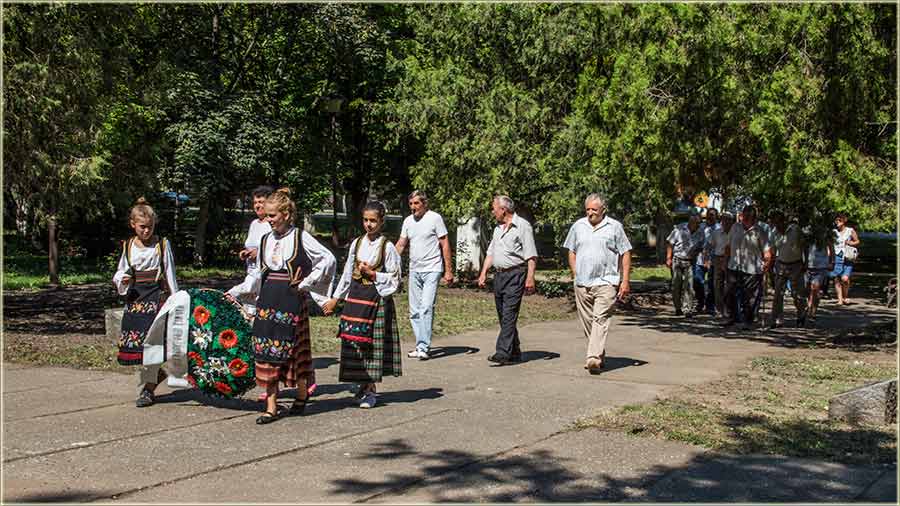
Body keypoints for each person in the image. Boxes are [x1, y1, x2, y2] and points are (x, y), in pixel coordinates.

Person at [249, 188, 336, 424]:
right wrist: (242, 293)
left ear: (286, 214)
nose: (268, 221)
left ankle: (300, 395)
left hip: (291, 300)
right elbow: (258, 274)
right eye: (266, 216)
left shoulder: (299, 237)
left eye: (272, 216)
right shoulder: (266, 239)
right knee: (266, 352)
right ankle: (271, 407)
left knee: (294, 353)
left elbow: (327, 259)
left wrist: (307, 283)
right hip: (268, 301)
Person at [323, 201, 403, 409]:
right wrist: (336, 298)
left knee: (371, 346)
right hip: (356, 298)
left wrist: (374, 274)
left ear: (381, 221)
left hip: (376, 300)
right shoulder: (357, 243)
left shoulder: (387, 247)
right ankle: (362, 384)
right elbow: (348, 274)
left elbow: (396, 279)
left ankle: (370, 390)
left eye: (373, 221)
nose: (368, 224)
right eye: (366, 220)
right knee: (354, 342)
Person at [112, 198, 179, 408]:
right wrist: (122, 279)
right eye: (142, 227)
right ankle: (155, 375)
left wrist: (175, 300)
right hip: (135, 298)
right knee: (137, 344)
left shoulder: (162, 245)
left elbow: (169, 273)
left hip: (156, 297)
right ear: (133, 224)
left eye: (150, 227)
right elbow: (122, 270)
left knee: (153, 344)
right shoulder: (129, 245)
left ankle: (148, 389)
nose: (146, 231)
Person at [562, 193, 632, 373]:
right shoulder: (578, 226)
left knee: (600, 319)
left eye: (594, 209)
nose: (590, 213)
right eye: (587, 209)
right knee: (588, 322)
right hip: (582, 283)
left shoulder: (615, 227)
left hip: (607, 281)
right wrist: (575, 273)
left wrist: (624, 281)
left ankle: (593, 358)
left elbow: (625, 252)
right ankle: (599, 353)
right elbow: (571, 250)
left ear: (603, 210)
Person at [477, 195, 538, 365]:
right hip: (499, 276)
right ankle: (515, 352)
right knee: (503, 315)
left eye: (494, 208)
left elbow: (531, 254)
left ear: (503, 209)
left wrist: (530, 277)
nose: (492, 211)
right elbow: (490, 253)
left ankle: (502, 352)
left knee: (509, 314)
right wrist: (483, 273)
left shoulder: (523, 226)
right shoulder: (498, 229)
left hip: (515, 274)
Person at [395, 190, 454, 360]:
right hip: (415, 270)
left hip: (432, 269)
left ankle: (423, 346)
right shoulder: (408, 221)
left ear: (424, 204)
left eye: (416, 203)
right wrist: (387, 261)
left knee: (426, 307)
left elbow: (444, 244)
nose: (413, 207)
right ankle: (420, 345)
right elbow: (400, 244)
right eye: (411, 204)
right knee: (414, 310)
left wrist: (448, 270)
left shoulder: (435, 218)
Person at [723, 205, 772, 330]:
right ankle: (733, 317)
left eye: (749, 216)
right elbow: (728, 246)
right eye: (745, 215)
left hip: (752, 268)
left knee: (749, 296)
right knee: (730, 292)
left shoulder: (760, 231)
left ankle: (748, 320)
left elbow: (767, 251)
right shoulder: (735, 227)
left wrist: (767, 262)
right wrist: (725, 262)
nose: (746, 218)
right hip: (734, 265)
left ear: (754, 218)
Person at [227, 185, 274, 316]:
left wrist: (258, 254)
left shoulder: (273, 225)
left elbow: (276, 249)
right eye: (255, 203)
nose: (257, 206)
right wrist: (245, 252)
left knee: (257, 307)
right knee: (249, 311)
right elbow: (250, 245)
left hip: (265, 276)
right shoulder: (254, 224)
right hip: (251, 271)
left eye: (261, 202)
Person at [768, 211, 808, 329]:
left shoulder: (795, 229)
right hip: (781, 264)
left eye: (778, 222)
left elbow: (805, 246)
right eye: (775, 223)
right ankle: (776, 319)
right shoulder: (774, 233)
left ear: (784, 221)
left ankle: (801, 314)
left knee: (797, 294)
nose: (777, 225)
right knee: (778, 294)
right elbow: (773, 251)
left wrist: (805, 262)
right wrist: (769, 264)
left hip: (796, 264)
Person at [666, 213, 704, 316]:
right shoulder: (679, 229)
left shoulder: (700, 231)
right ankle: (678, 308)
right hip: (677, 259)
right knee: (676, 285)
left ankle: (687, 309)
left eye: (698, 223)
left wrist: (696, 252)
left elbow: (701, 245)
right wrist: (668, 258)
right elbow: (670, 243)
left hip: (690, 261)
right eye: (695, 223)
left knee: (689, 286)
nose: (697, 225)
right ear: (690, 222)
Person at [805, 227, 835, 326]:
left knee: (815, 287)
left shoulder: (826, 235)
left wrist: (832, 262)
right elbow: (804, 249)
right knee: (808, 289)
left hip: (821, 266)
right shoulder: (808, 235)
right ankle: (809, 305)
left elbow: (831, 248)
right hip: (809, 266)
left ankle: (813, 311)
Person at [707, 212, 734, 320]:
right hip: (718, 259)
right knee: (717, 285)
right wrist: (707, 259)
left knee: (730, 285)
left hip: (732, 260)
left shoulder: (735, 232)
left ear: (732, 221)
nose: (726, 222)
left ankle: (729, 309)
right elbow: (710, 245)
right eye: (724, 219)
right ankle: (719, 310)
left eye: (728, 219)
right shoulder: (716, 232)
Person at [831, 213, 860, 305]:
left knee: (845, 279)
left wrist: (850, 243)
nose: (837, 222)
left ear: (844, 221)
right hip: (837, 256)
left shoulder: (850, 230)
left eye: (839, 220)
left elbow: (857, 241)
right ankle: (840, 300)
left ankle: (845, 296)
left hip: (847, 257)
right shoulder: (834, 232)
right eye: (836, 220)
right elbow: (830, 245)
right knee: (836, 279)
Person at [697, 208, 719, 315]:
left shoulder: (719, 228)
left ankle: (710, 306)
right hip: (700, 259)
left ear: (716, 216)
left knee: (712, 284)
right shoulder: (700, 227)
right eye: (708, 214)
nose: (710, 216)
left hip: (714, 260)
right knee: (697, 281)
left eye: (712, 215)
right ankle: (700, 302)